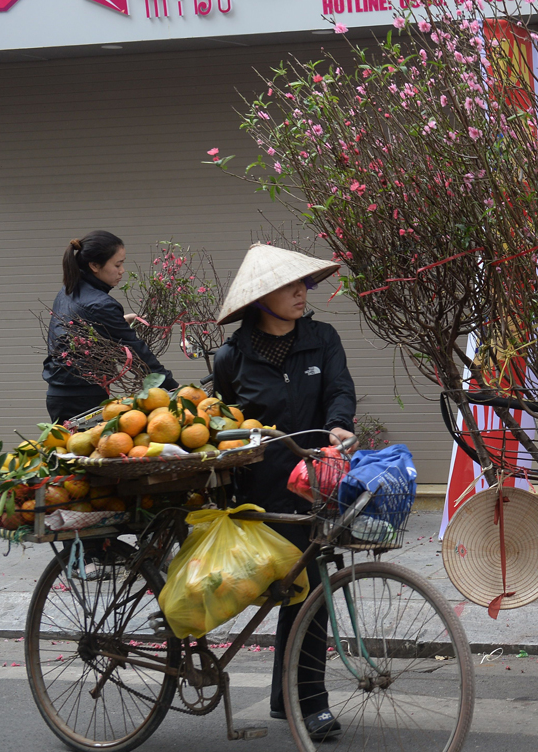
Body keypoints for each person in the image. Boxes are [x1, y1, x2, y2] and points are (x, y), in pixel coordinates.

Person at [212, 243, 355, 741]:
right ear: (262, 298)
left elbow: (339, 389)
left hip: (315, 483)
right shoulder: (232, 355)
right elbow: (223, 418)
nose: (302, 293)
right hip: (259, 489)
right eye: (290, 286)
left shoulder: (323, 338)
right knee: (284, 590)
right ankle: (286, 696)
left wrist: (337, 426)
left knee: (311, 590)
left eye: (303, 285)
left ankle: (306, 702)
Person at [43, 231, 177, 422]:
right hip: (82, 398)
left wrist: (116, 322)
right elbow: (137, 352)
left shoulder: (68, 290)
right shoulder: (100, 304)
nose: (122, 270)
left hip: (59, 394)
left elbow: (76, 328)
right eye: (117, 265)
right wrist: (172, 388)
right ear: (94, 266)